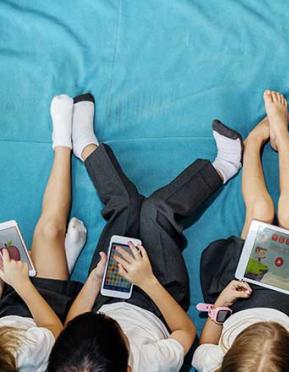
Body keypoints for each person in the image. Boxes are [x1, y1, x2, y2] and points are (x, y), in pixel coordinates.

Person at [48, 93, 244, 372]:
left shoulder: (73, 361)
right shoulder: (153, 363)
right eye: (121, 332)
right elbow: (185, 332)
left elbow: (72, 325)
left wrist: (94, 279)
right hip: (159, 300)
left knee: (126, 206)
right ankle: (224, 166)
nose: (119, 324)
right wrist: (147, 280)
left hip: (105, 294)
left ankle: (86, 146)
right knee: (156, 212)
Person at [193, 90, 289, 372]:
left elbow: (205, 345)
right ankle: (282, 136)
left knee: (260, 212)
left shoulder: (214, 364)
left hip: (242, 293)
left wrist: (222, 303)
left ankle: (253, 143)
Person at [0, 94, 88, 372]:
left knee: (9, 247)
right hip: (42, 312)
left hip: (5, 306)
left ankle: (63, 259)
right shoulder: (27, 355)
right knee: (49, 230)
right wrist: (22, 284)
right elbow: (55, 330)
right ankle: (63, 143)